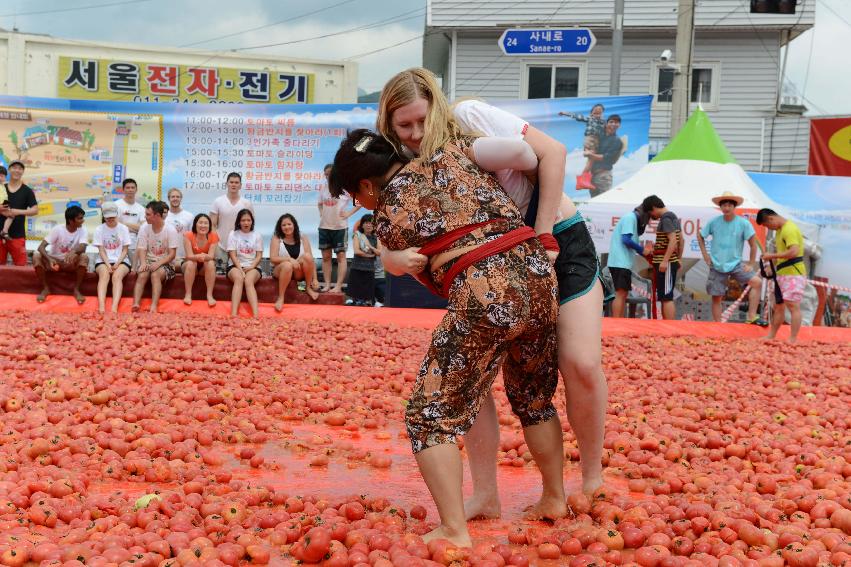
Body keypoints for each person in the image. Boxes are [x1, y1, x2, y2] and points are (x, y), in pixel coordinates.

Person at [376, 68, 607, 512]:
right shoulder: (406, 163)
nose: (416, 134)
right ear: (389, 125)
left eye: (422, 121)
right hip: (494, 264)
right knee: (475, 376)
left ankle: (592, 476)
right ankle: (486, 494)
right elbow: (387, 219)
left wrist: (543, 237)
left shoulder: (468, 118)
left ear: (438, 107)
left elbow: (551, 152)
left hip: (555, 236)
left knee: (578, 361)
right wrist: (390, 258)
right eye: (403, 126)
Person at [330, 129, 566, 547]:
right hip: (539, 278)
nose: (358, 203)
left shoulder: (388, 211)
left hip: (488, 292)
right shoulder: (452, 154)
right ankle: (554, 497)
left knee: (428, 414)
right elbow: (520, 155)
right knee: (534, 397)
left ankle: (454, 530)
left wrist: (392, 256)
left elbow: (409, 264)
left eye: (354, 195)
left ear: (367, 185)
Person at [698, 191, 764, 324]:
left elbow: (753, 245)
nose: (726, 208)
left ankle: (751, 316)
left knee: (757, 282)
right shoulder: (714, 221)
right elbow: (700, 235)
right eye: (724, 205)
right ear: (720, 207)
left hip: (736, 264)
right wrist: (705, 255)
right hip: (717, 264)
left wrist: (751, 263)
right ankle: (718, 324)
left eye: (729, 205)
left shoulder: (743, 223)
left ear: (734, 207)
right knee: (717, 297)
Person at [756, 208, 806, 342]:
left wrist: (772, 255)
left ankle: (793, 338)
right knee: (779, 305)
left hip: (794, 273)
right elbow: (783, 254)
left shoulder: (789, 229)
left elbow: (794, 252)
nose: (769, 228)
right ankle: (771, 335)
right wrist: (772, 270)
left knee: (793, 305)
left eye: (767, 225)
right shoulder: (780, 231)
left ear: (771, 219)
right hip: (783, 273)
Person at [318, 164, 361, 293]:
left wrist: (348, 213)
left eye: (330, 173)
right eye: (326, 174)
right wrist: (321, 213)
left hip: (340, 227)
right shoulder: (323, 188)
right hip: (324, 226)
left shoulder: (344, 189)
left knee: (341, 256)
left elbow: (359, 201)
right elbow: (319, 204)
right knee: (326, 257)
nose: (328, 176)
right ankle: (326, 284)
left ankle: (338, 286)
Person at [33, 205, 89, 304]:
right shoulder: (58, 229)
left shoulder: (83, 229)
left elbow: (83, 246)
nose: (83, 220)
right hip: (54, 263)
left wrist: (74, 251)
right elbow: (40, 247)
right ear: (71, 221)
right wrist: (50, 259)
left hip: (70, 263)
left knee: (84, 257)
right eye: (80, 218)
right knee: (36, 255)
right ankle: (45, 289)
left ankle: (76, 290)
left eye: (82, 218)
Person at [132, 200, 178, 313]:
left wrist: (158, 263)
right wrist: (143, 263)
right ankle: (136, 304)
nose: (145, 217)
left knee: (155, 275)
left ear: (157, 215)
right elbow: (142, 248)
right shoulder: (144, 227)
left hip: (166, 263)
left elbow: (172, 255)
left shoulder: (170, 229)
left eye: (148, 214)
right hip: (148, 260)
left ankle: (154, 306)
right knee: (142, 275)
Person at [643, 195, 683, 320]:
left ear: (654, 207)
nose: (651, 216)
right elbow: (681, 240)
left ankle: (669, 328)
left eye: (650, 212)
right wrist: (678, 258)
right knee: (665, 296)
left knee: (666, 297)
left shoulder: (665, 219)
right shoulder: (673, 217)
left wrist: (665, 261)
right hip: (669, 262)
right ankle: (666, 326)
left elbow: (673, 241)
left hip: (665, 264)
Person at [269, 213, 319, 311]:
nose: (287, 227)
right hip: (281, 270)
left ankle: (308, 288)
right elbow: (273, 258)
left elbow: (311, 260)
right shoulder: (276, 238)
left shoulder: (303, 237)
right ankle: (281, 297)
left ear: (294, 225)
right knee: (287, 265)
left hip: (297, 272)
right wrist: (289, 259)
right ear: (280, 227)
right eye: (283, 225)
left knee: (307, 256)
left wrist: (315, 279)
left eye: (289, 224)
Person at [608, 206, 650, 318]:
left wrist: (645, 253)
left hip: (622, 263)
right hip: (620, 262)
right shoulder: (630, 218)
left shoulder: (632, 220)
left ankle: (620, 321)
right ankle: (617, 322)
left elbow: (632, 243)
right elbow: (626, 240)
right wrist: (642, 250)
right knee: (620, 294)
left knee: (623, 294)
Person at [93, 201, 132, 314]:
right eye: (107, 218)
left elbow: (125, 250)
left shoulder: (123, 228)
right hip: (103, 260)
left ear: (117, 215)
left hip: (121, 260)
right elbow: (101, 250)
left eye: (112, 217)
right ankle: (101, 307)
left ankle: (114, 307)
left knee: (116, 277)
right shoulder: (99, 229)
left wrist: (117, 263)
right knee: (104, 276)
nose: (110, 220)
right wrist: (107, 264)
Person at [210, 172, 253, 269]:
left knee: (238, 273)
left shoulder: (246, 203)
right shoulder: (218, 201)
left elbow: (250, 225)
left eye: (236, 182)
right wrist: (215, 242)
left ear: (240, 185)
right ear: (226, 184)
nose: (234, 184)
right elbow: (212, 225)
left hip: (240, 247)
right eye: (231, 182)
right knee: (219, 276)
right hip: (221, 245)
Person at [559, 104, 605, 190]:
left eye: (600, 112)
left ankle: (581, 183)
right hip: (590, 140)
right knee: (591, 161)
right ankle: (581, 182)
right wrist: (566, 113)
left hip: (597, 142)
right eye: (596, 112)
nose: (598, 114)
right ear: (591, 114)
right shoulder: (590, 119)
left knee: (591, 162)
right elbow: (578, 117)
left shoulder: (602, 122)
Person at [227, 208, 263, 318]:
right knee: (239, 278)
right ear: (239, 221)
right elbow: (232, 255)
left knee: (248, 280)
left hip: (253, 266)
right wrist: (240, 269)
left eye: (248, 220)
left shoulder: (257, 235)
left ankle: (256, 315)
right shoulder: (233, 234)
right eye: (243, 220)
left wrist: (251, 267)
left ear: (252, 221)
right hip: (235, 265)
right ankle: (234, 314)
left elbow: (259, 255)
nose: (246, 223)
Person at [1, 160, 39, 266]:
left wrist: (17, 211)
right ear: (9, 170)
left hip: (18, 236)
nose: (17, 170)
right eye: (14, 167)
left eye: (20, 168)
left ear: (23, 171)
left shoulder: (27, 191)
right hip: (0, 236)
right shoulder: (1, 188)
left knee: (21, 266)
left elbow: (35, 210)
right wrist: (3, 212)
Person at [182, 213, 219, 307]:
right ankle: (188, 294)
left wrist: (203, 257)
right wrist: (200, 256)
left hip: (204, 267)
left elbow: (211, 256)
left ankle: (209, 295)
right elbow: (189, 256)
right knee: (191, 262)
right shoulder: (188, 235)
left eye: (206, 223)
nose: (203, 225)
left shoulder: (214, 236)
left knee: (210, 263)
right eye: (200, 223)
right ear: (195, 224)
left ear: (209, 226)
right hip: (189, 265)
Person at [347, 214, 380, 306]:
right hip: (357, 266)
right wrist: (370, 255)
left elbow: (380, 252)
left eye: (371, 223)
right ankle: (353, 300)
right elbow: (357, 251)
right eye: (366, 223)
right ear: (362, 225)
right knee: (354, 287)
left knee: (368, 291)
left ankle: (367, 302)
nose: (369, 225)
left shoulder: (376, 237)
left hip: (370, 268)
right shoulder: (357, 235)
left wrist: (370, 247)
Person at [588, 116, 624, 199]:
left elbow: (607, 158)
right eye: (611, 122)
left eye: (616, 122)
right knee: (593, 202)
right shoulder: (599, 136)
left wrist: (591, 155)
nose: (613, 124)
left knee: (603, 201)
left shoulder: (617, 141)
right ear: (606, 123)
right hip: (592, 175)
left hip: (603, 176)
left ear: (619, 125)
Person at [114, 178, 146, 258]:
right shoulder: (116, 205)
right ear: (123, 190)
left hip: (134, 242)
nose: (130, 190)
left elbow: (142, 228)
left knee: (133, 267)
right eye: (128, 188)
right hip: (118, 239)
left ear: (136, 190)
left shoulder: (141, 208)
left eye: (132, 187)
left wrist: (124, 224)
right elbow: (114, 224)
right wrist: (135, 227)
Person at [164, 188, 194, 266]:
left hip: (184, 257)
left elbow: (193, 238)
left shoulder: (189, 216)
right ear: (168, 198)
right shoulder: (163, 216)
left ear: (181, 198)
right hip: (166, 257)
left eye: (178, 197)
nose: (175, 199)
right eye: (173, 197)